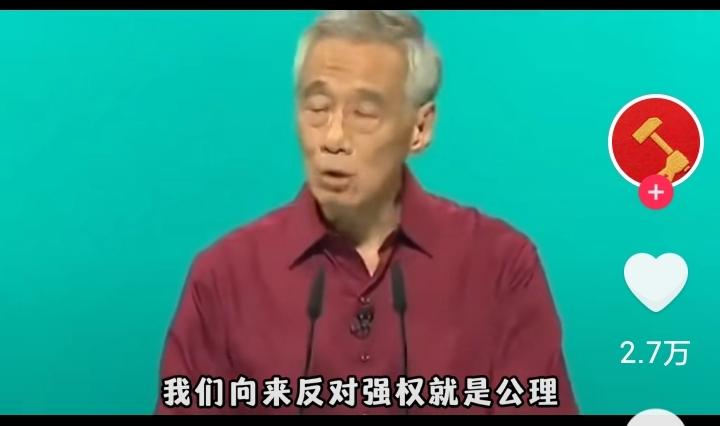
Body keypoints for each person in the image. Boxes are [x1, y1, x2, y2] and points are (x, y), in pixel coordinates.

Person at [155, 10, 578, 415]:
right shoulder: (224, 278)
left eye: (364, 113)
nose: (333, 138)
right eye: (317, 108)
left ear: (420, 128)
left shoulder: (501, 268)